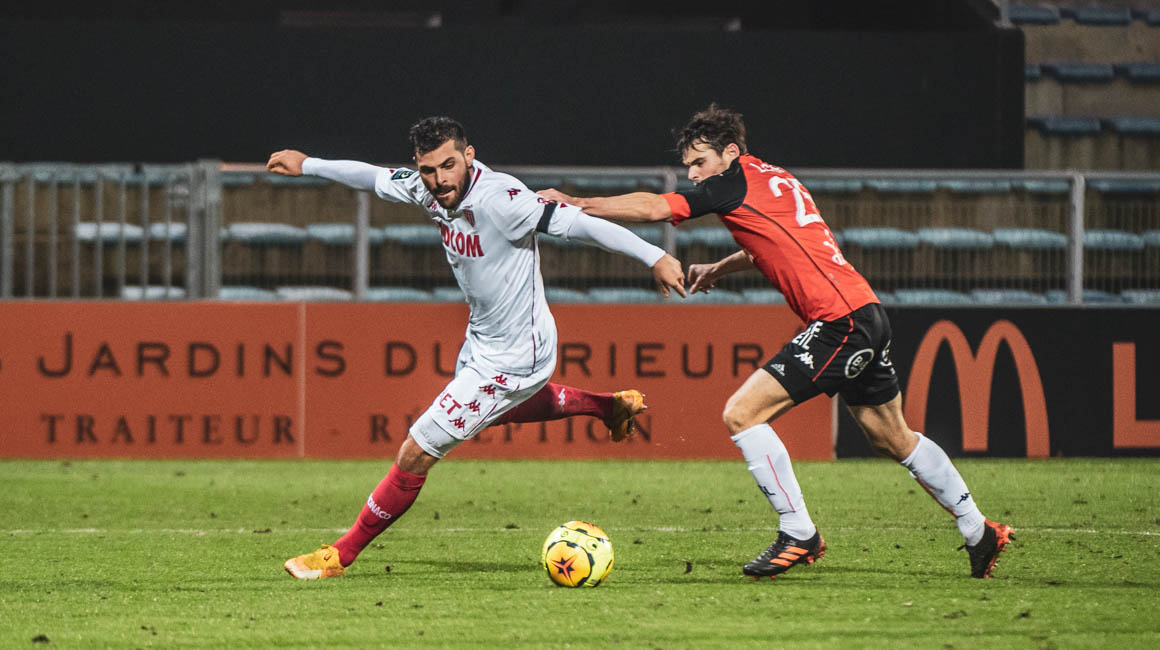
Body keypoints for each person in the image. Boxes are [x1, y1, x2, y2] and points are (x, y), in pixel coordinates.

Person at [539, 104, 1012, 580]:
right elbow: (769, 243)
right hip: (866, 312)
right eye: (688, 165)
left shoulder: (731, 182)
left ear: (730, 152)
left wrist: (576, 204)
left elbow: (656, 207)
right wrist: (719, 268)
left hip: (839, 322)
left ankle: (798, 532)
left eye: (699, 162)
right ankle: (979, 531)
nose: (694, 174)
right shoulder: (775, 178)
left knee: (742, 414)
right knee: (892, 436)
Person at [269, 116, 686, 579]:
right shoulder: (427, 189)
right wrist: (308, 164)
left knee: (417, 450)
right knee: (493, 414)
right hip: (483, 338)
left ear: (469, 156)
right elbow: (372, 177)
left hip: (518, 353)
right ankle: (609, 407)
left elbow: (582, 225)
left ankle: (340, 555)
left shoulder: (503, 200)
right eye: (429, 169)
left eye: (449, 165)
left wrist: (655, 256)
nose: (440, 179)